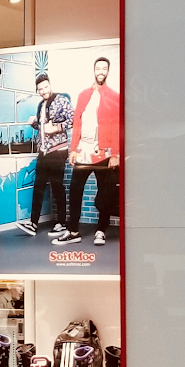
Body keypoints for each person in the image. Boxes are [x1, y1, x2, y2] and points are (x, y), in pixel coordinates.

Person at [64, 56, 121, 245]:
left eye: (104, 69)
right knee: (75, 190)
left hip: (104, 152)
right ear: (94, 70)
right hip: (83, 151)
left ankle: (101, 231)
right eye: (98, 68)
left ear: (108, 71)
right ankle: (73, 230)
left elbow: (117, 127)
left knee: (105, 193)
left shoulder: (114, 97)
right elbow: (77, 123)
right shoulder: (83, 95)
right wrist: (73, 149)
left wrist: (115, 154)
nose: (101, 72)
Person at [18, 72, 72, 240]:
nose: (44, 91)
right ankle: (33, 223)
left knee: (57, 186)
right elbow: (42, 129)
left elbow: (73, 119)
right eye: (40, 89)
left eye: (45, 87)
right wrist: (34, 123)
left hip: (58, 150)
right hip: (44, 151)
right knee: (38, 187)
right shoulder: (41, 105)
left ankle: (61, 223)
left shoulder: (61, 100)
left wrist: (57, 127)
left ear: (50, 85)